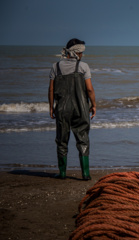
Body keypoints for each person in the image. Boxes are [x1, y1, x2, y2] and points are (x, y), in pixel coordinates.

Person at [48, 38, 96, 180]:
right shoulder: (83, 67)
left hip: (62, 109)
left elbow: (51, 89)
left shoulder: (55, 67)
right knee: (83, 139)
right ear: (76, 52)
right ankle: (85, 174)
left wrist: (51, 107)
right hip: (81, 109)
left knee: (62, 140)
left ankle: (62, 173)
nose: (82, 55)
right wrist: (93, 105)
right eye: (81, 52)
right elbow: (89, 89)